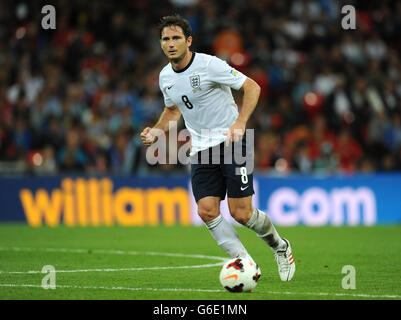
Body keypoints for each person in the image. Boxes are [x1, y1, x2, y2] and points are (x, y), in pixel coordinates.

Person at [140, 14, 295, 281]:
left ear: (189, 41)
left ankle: (280, 247)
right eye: (165, 39)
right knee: (207, 210)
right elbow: (172, 110)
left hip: (232, 142)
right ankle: (246, 265)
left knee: (241, 213)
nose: (170, 43)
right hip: (200, 148)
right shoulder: (165, 76)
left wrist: (240, 122)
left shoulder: (209, 65)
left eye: (176, 38)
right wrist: (156, 130)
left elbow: (252, 87)